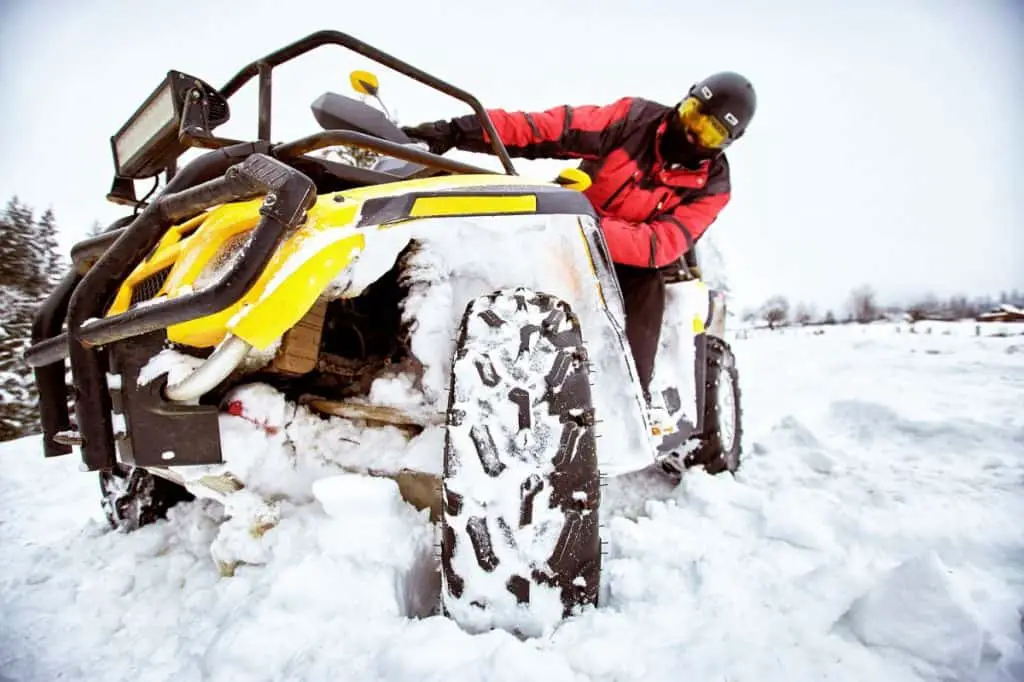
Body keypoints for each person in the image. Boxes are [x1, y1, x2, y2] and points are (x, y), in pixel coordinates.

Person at [402, 72, 756, 403]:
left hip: (626, 257)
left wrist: (587, 226)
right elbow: (548, 129)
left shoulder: (714, 187)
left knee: (648, 287)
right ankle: (429, 357)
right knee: (492, 236)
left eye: (707, 132)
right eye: (692, 114)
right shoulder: (635, 120)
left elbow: (660, 243)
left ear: (725, 144)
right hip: (568, 223)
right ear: (684, 100)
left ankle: (627, 400)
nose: (691, 132)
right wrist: (455, 131)